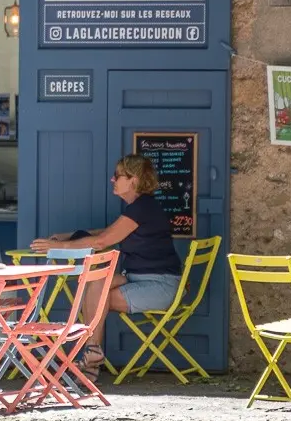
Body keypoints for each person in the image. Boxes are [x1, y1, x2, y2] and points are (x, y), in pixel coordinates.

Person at [29, 154, 182, 381]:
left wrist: (57, 246)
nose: (112, 180)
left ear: (133, 180)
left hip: (159, 286)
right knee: (95, 281)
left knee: (99, 296)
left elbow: (103, 242)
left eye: (118, 175)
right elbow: (107, 232)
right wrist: (68, 237)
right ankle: (93, 354)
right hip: (140, 278)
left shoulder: (141, 209)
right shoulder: (140, 208)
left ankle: (91, 355)